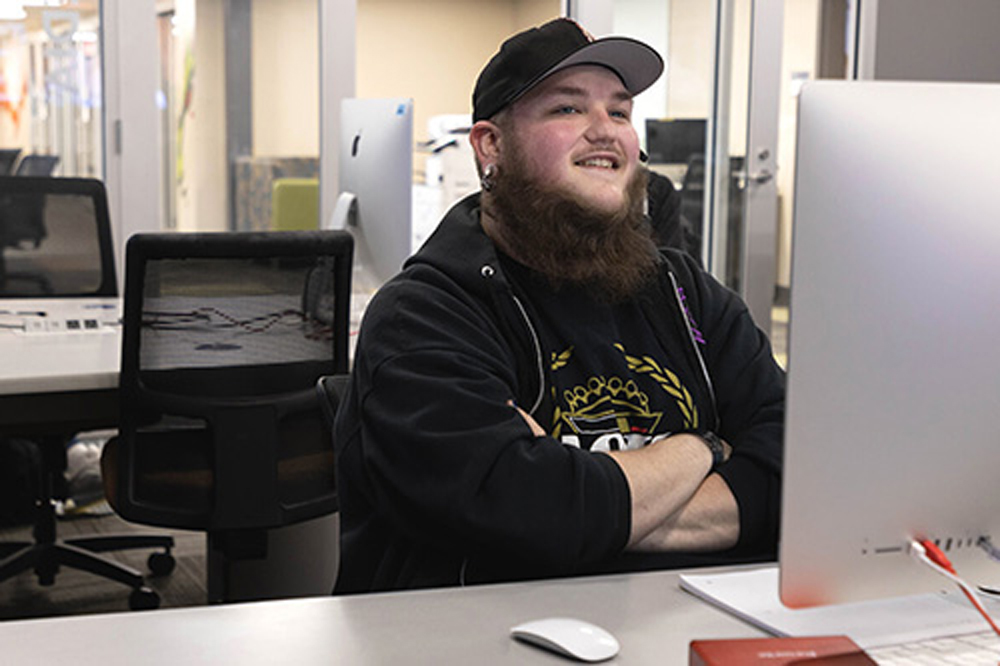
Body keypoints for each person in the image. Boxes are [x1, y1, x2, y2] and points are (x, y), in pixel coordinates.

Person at [333, 18, 784, 594]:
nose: (605, 132)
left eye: (619, 111)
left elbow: (798, 467)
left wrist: (591, 504)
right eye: (567, 108)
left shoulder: (684, 293)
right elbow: (526, 514)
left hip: (690, 616)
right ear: (491, 146)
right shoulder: (424, 316)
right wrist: (707, 447)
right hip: (481, 629)